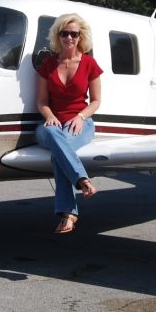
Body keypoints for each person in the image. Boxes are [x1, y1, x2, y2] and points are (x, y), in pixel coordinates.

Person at [35, 13, 102, 234]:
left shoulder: (89, 64)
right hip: (52, 125)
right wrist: (49, 116)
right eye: (65, 33)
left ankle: (68, 214)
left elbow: (96, 101)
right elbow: (42, 102)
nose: (69, 38)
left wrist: (81, 117)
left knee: (58, 154)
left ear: (80, 36)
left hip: (80, 123)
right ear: (58, 35)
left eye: (74, 34)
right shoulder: (48, 65)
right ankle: (82, 179)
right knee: (55, 136)